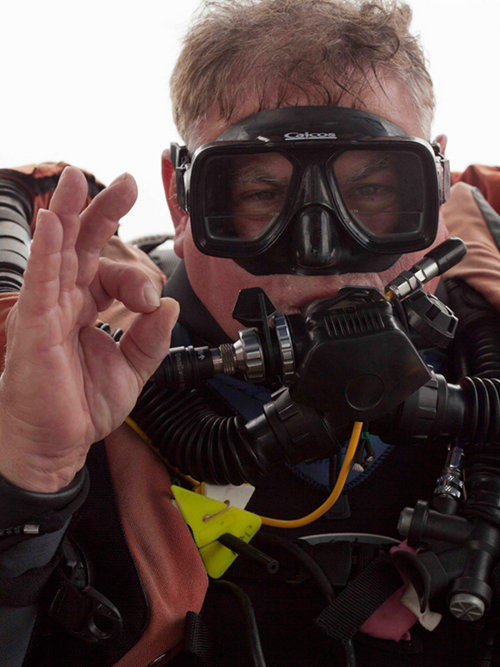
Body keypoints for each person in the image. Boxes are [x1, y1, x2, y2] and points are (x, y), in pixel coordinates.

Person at [1, 1, 500, 665]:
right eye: (262, 195)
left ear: (437, 180)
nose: (322, 252)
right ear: (181, 201)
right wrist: (30, 476)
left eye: (375, 188)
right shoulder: (65, 379)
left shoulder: (487, 355)